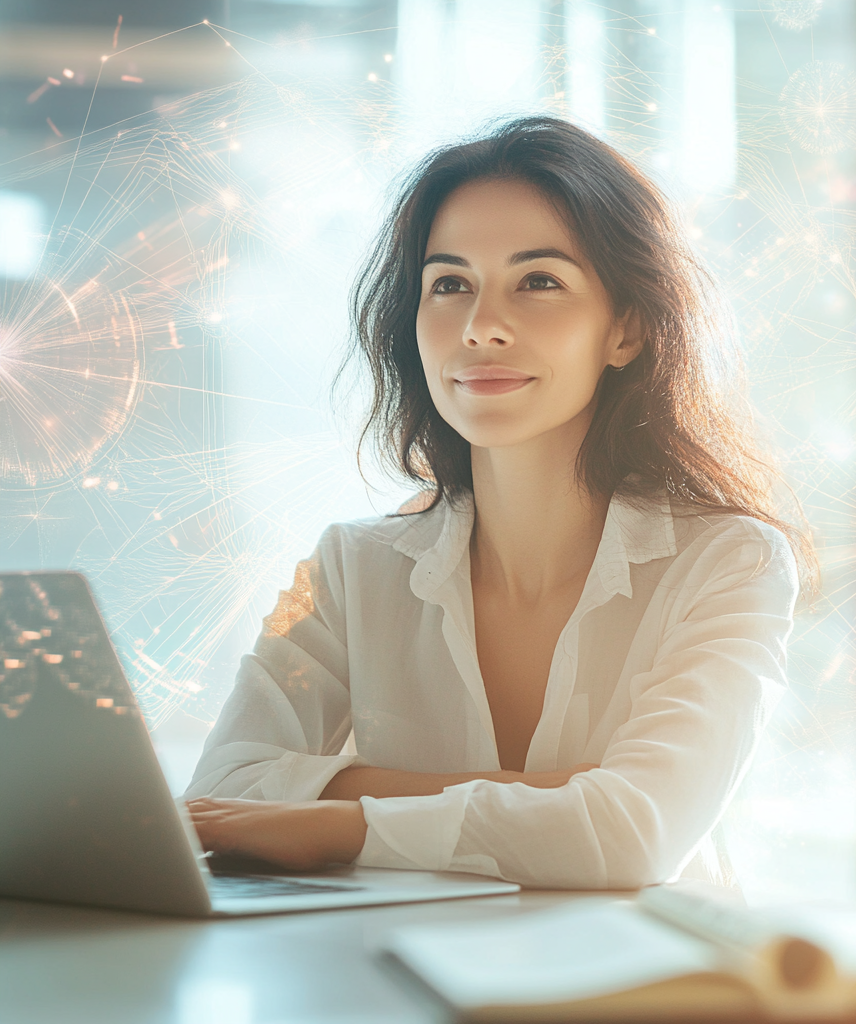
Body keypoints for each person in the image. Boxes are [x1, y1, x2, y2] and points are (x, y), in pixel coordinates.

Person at [185, 117, 803, 890]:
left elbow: (634, 832)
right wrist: (550, 798)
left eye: (538, 281)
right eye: (449, 284)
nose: (481, 327)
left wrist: (338, 822)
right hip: (395, 982)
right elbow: (222, 791)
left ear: (626, 328)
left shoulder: (731, 563)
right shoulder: (348, 567)